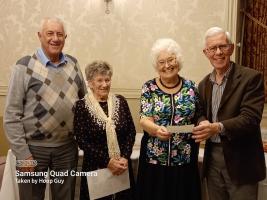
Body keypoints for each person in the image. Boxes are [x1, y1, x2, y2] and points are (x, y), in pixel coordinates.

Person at [3, 17, 86, 200]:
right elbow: (11, 115)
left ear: (65, 37)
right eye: (50, 33)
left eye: (59, 34)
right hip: (33, 150)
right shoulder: (23, 66)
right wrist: (23, 154)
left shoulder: (73, 64)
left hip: (67, 149)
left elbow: (84, 104)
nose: (55, 38)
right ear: (40, 36)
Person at [192, 26, 266, 200]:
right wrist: (203, 122)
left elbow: (250, 119)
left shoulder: (251, 78)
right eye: (212, 48)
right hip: (212, 161)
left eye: (222, 46)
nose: (218, 52)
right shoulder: (203, 84)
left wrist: (217, 127)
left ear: (231, 48)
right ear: (206, 52)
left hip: (242, 161)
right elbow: (200, 113)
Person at [136, 38, 202, 200]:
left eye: (171, 60)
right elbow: (144, 119)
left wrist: (203, 123)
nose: (167, 65)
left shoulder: (191, 87)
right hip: (155, 159)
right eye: (161, 62)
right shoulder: (149, 87)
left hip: (184, 158)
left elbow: (200, 115)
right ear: (156, 66)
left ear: (178, 60)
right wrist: (156, 130)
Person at [74, 61, 136, 200]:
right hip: (95, 167)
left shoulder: (121, 101)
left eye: (107, 80)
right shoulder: (81, 106)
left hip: (122, 166)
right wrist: (107, 161)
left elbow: (131, 132)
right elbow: (81, 140)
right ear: (90, 83)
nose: (105, 84)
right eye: (99, 80)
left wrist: (125, 157)